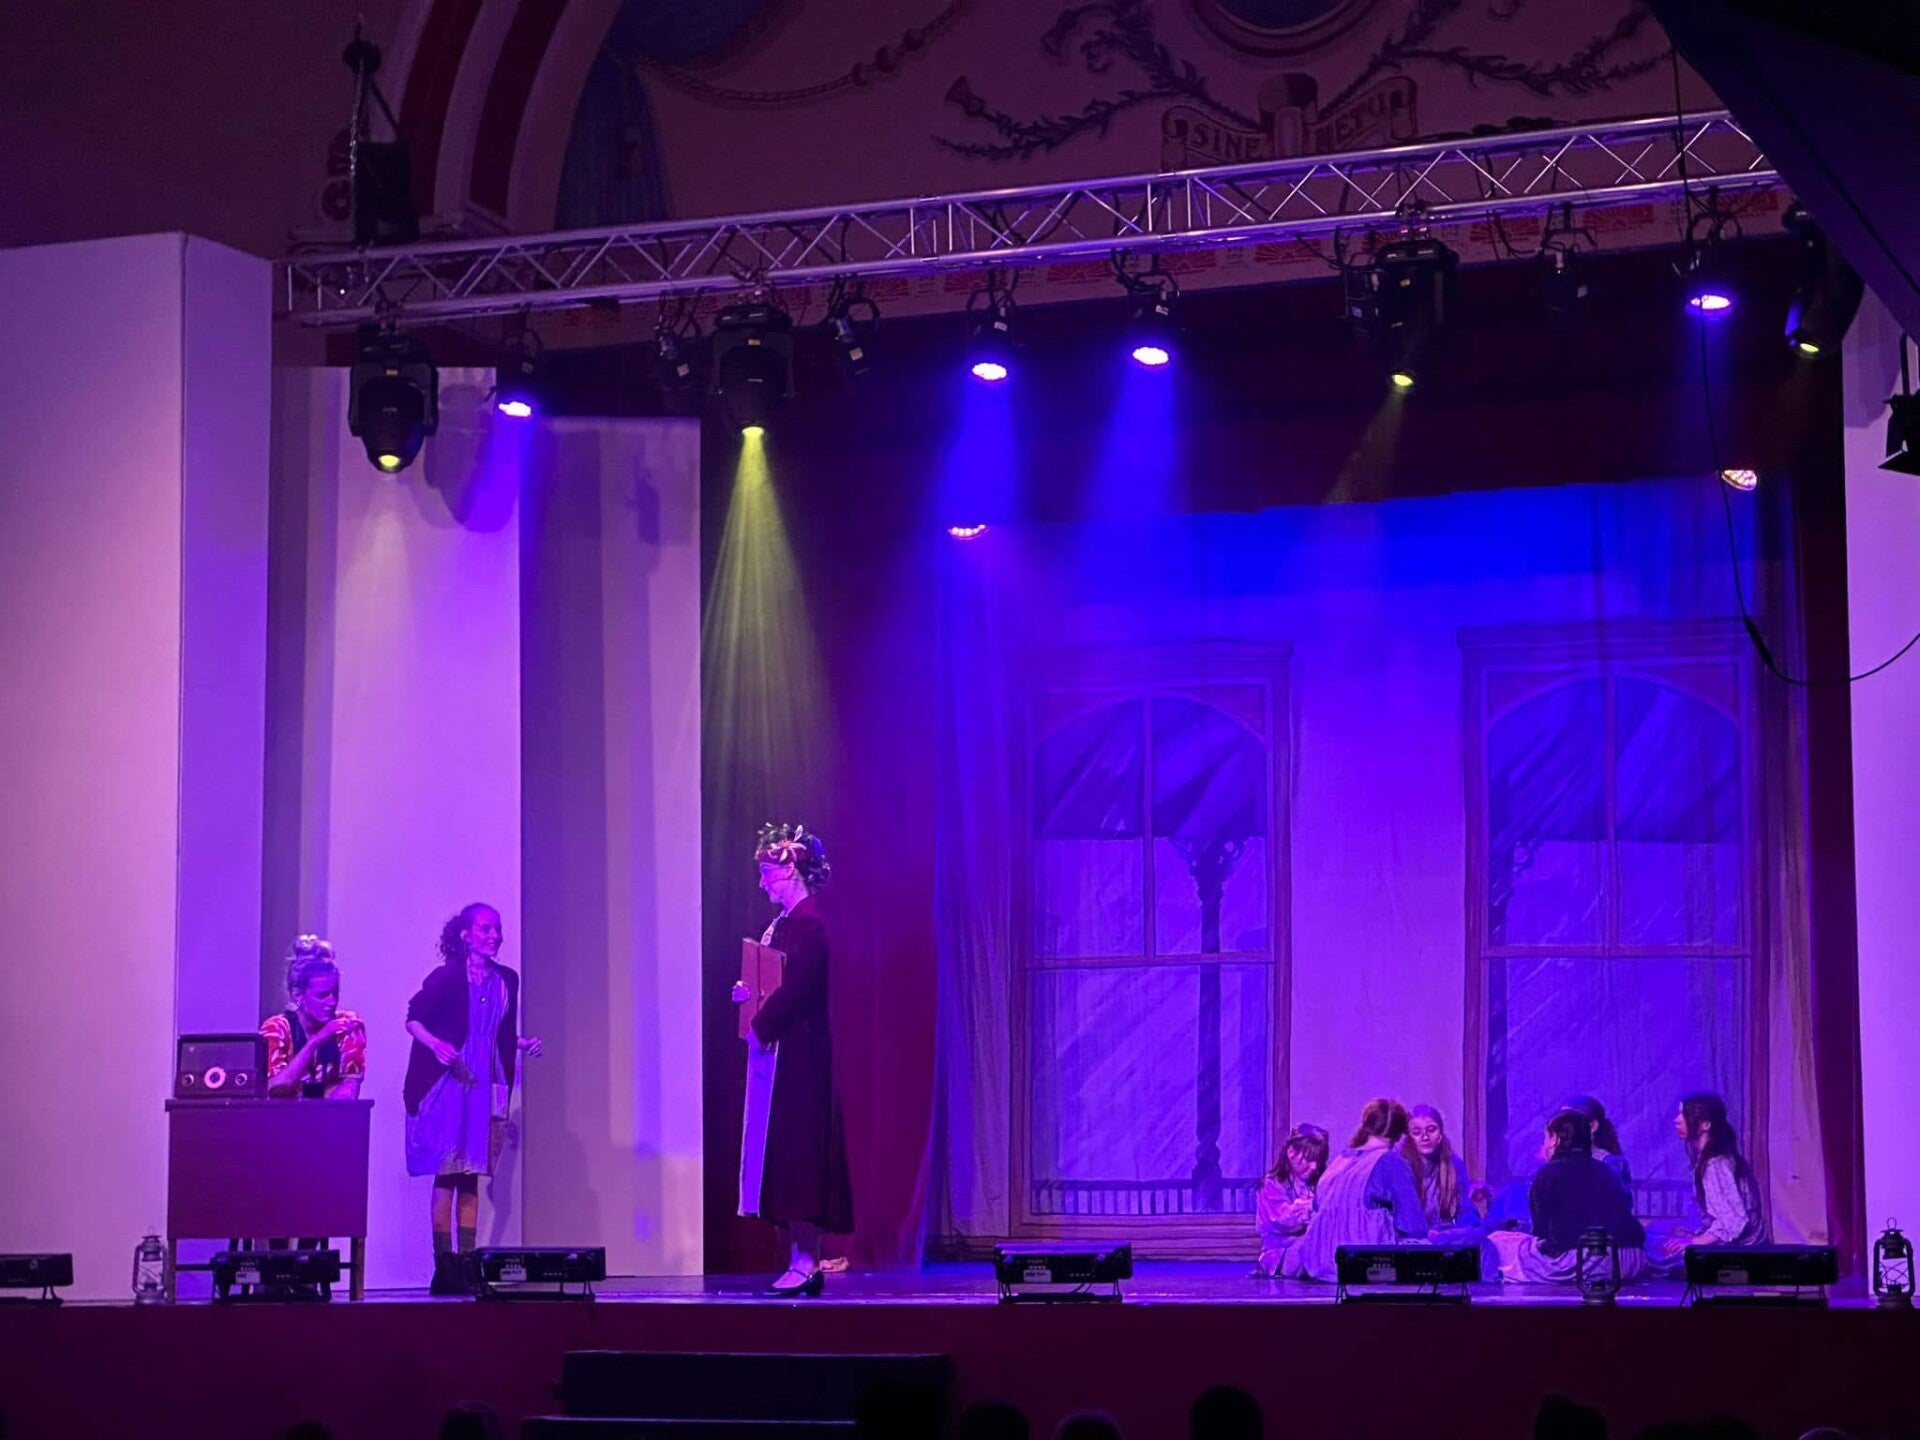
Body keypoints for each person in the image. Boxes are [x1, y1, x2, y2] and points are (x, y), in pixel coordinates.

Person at [732, 823, 853, 1296]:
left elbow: (798, 988)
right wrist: (749, 997)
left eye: (766, 874)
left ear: (788, 873)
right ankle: (800, 1260)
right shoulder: (787, 924)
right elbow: (774, 981)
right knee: (785, 1154)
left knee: (800, 1155)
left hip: (801, 1058)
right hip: (785, 1056)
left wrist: (761, 1024)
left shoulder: (810, 924)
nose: (762, 884)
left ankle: (806, 1260)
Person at [403, 902, 543, 1295]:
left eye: (497, 928)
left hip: (483, 1080)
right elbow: (413, 1018)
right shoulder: (447, 978)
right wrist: (435, 1044)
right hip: (450, 1082)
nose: (494, 936)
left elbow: (496, 1033)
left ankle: (467, 1263)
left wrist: (522, 1043)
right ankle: (444, 1266)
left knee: (471, 1173)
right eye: (485, 929)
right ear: (466, 936)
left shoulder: (506, 980)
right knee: (447, 1170)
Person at [1488, 1109, 1645, 1284]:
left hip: (1584, 1260)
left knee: (1497, 1242)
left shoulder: (1548, 1173)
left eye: (1545, 1138)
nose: (1544, 1145)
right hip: (1630, 1259)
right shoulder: (1606, 1170)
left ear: (1555, 1139)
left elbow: (1541, 1232)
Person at [1281, 1098, 1426, 1281]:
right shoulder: (1391, 1162)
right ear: (1401, 1136)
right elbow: (1413, 1225)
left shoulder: (1339, 1161)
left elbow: (1317, 1207)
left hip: (1320, 1264)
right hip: (1365, 1264)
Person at [1650, 1093, 1766, 1268]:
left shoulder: (1716, 1164)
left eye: (1684, 1114)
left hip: (1740, 1247)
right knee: (1656, 1231)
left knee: (1654, 1245)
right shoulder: (1709, 1159)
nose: (1677, 1120)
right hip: (1729, 1239)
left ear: (1706, 1124)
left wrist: (1694, 1242)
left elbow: (1734, 1222)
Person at [261, 936, 365, 1100]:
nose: (332, 1002)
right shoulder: (277, 1028)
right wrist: (315, 1042)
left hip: (329, 1116)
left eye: (335, 993)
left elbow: (348, 1093)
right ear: (298, 996)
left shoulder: (348, 1026)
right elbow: (275, 1090)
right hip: (283, 1116)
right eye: (322, 995)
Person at [1255, 1122, 1328, 1276]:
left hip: (1312, 1245)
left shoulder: (1321, 1182)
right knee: (1313, 1243)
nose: (1314, 1166)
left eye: (1319, 1160)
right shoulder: (1271, 1185)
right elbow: (1282, 1220)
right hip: (1281, 1254)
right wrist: (1312, 1206)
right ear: (1292, 1153)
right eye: (1309, 1159)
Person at [1404, 1104, 1483, 1233]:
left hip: (1444, 1235)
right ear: (1409, 1138)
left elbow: (1466, 1209)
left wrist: (1467, 1231)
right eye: (1417, 1132)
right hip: (1411, 1237)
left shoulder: (1454, 1165)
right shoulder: (1400, 1167)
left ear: (1440, 1134)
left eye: (1431, 1130)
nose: (1425, 1137)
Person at [1563, 1094, 1632, 1185]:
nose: (1563, 1128)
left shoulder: (1611, 1165)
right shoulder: (1558, 1163)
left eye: (1570, 1122)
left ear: (1593, 1125)